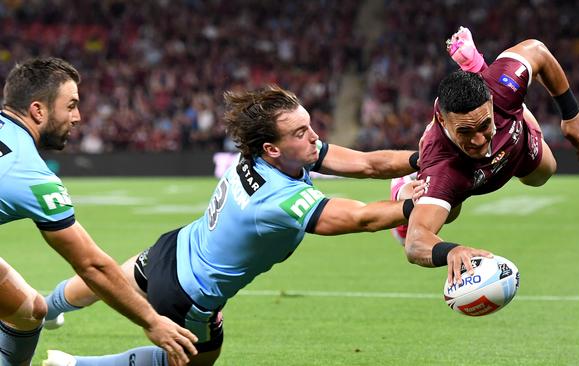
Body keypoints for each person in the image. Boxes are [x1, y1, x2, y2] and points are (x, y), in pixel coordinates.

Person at [42, 85, 424, 366]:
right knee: (192, 361)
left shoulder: (272, 155)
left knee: (107, 280)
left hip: (172, 248)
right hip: (189, 295)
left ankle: (42, 308)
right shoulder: (276, 197)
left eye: (310, 126)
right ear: (272, 149)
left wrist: (422, 160)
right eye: (300, 132)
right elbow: (361, 217)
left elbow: (369, 164)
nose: (314, 137)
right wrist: (417, 203)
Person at [0, 57, 199, 365]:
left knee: (29, 311)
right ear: (38, 110)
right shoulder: (30, 175)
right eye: (71, 106)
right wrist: (152, 321)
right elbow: (92, 266)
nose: (78, 117)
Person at [391, 27, 579, 285]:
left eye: (483, 125)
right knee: (449, 213)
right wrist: (451, 250)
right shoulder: (442, 167)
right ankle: (404, 187)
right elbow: (416, 242)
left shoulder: (501, 85)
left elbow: (538, 52)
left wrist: (571, 113)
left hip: (513, 144)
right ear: (442, 120)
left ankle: (476, 66)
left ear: (490, 102)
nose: (478, 140)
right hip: (461, 171)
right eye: (465, 131)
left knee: (544, 172)